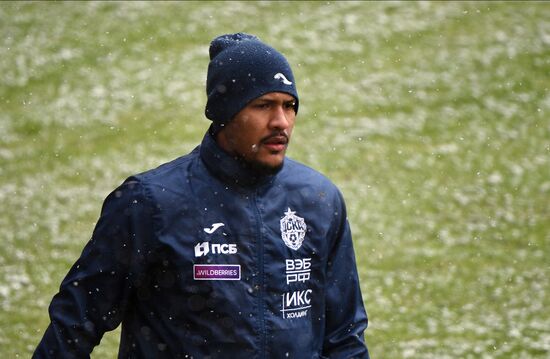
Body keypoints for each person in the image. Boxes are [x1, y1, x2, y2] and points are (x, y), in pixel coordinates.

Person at [34, 33, 370, 358]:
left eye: (289, 105)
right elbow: (74, 326)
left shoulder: (318, 200)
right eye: (264, 105)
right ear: (225, 114)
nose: (281, 122)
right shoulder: (150, 204)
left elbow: (344, 338)